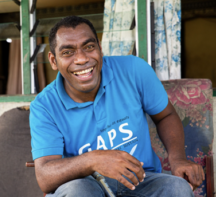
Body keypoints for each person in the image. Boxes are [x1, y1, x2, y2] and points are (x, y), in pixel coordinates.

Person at [29, 16, 204, 197]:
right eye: (67, 52)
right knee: (76, 192)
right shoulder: (44, 106)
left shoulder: (134, 70)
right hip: (86, 185)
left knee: (177, 188)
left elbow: (165, 116)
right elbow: (45, 176)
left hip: (142, 180)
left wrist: (177, 160)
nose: (81, 59)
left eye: (89, 47)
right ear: (53, 60)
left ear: (100, 48)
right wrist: (92, 161)